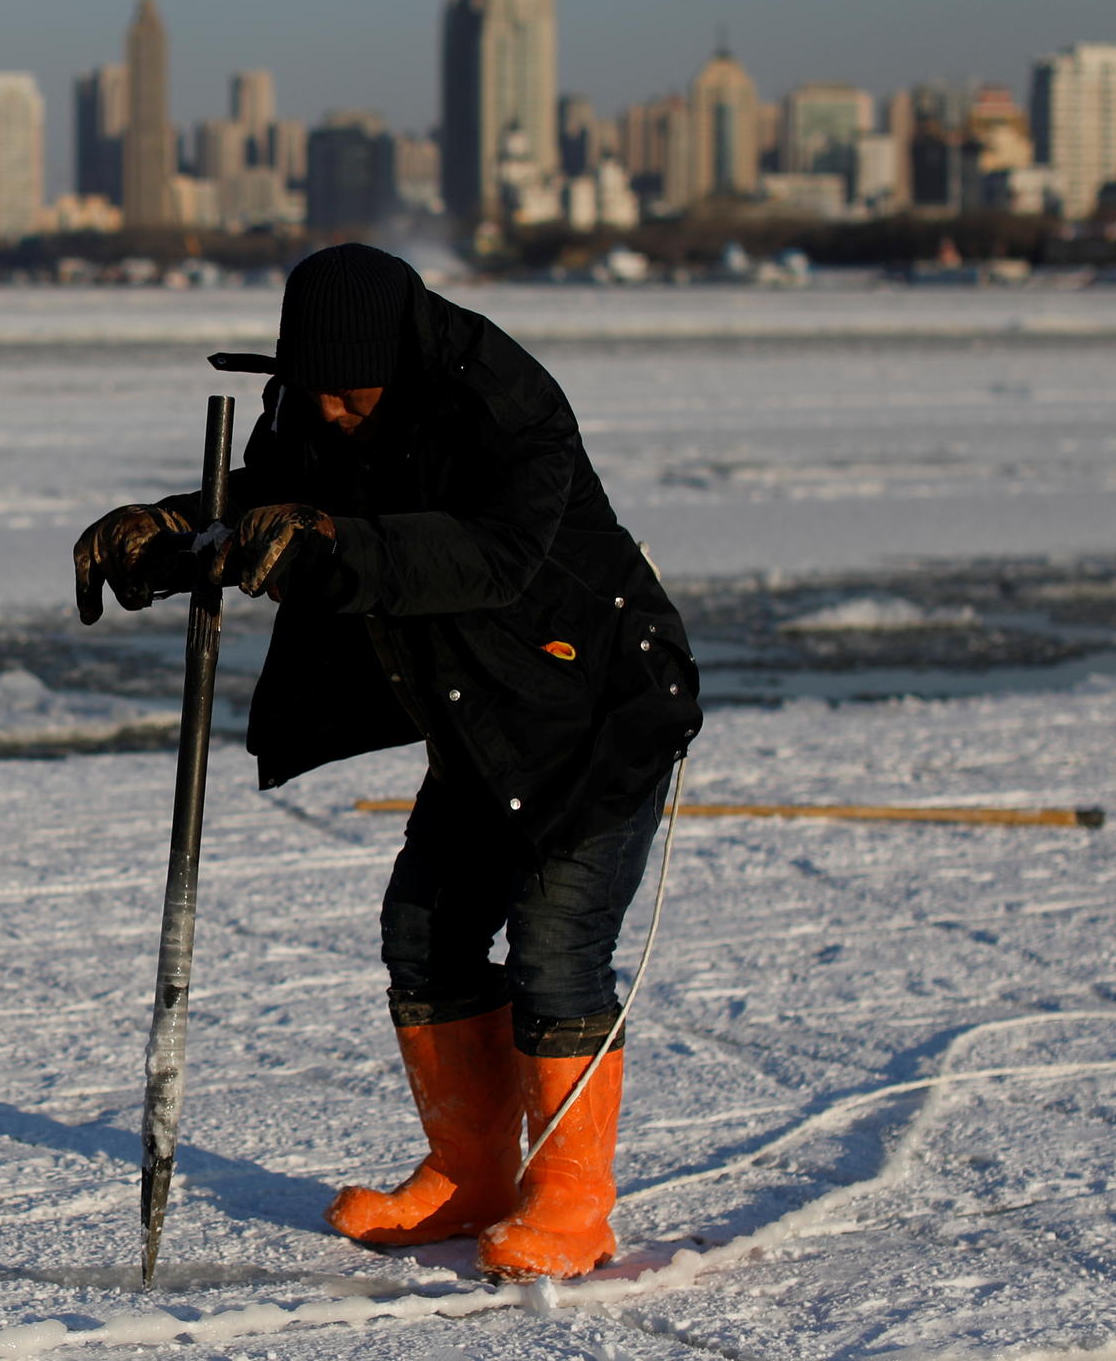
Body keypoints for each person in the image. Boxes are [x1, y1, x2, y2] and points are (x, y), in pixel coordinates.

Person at [72, 242, 700, 1282]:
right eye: (309, 393)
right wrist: (170, 534)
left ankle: (571, 1201)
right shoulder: (310, 405)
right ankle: (468, 1176)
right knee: (424, 931)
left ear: (401, 365)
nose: (328, 415)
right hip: (471, 713)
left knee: (555, 949)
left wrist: (330, 540)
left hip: (592, 708)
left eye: (351, 397)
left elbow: (490, 556)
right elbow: (266, 508)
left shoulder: (507, 407)